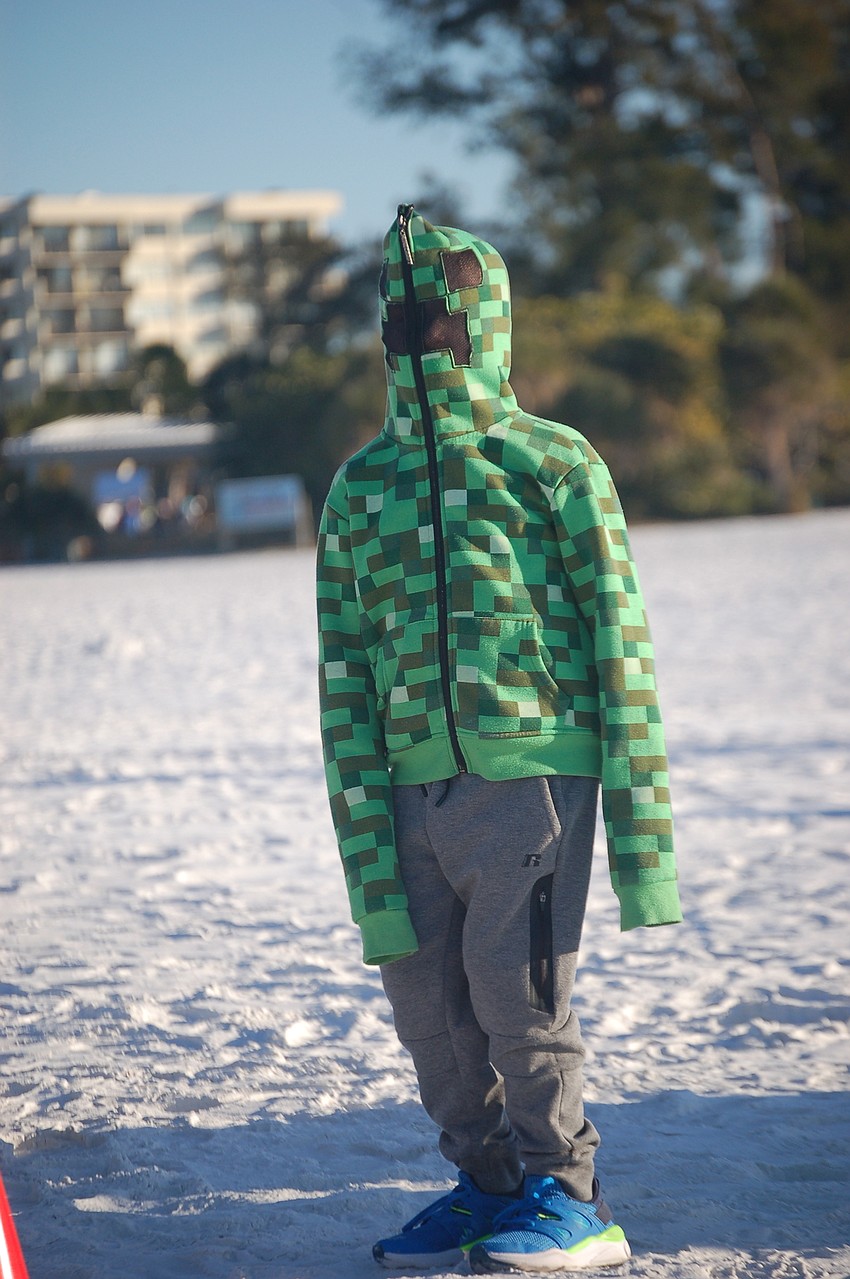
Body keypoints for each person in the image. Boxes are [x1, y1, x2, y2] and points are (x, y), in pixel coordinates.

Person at [316, 205, 682, 1274]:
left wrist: (644, 854)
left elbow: (622, 645)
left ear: (486, 322)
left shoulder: (550, 463)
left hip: (533, 783)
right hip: (404, 793)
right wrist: (362, 832)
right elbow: (341, 671)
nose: (420, 338)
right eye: (403, 320)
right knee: (428, 1008)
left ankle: (573, 1197)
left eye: (441, 317)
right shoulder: (360, 486)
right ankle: (484, 1187)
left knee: (518, 1000)